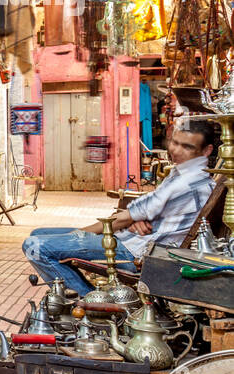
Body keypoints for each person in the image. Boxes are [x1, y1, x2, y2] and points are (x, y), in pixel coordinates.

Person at [22, 120, 218, 295]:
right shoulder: (181, 173)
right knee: (39, 232)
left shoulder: (190, 185)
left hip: (136, 252)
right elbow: (142, 214)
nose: (176, 151)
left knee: (34, 246)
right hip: (133, 238)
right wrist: (138, 219)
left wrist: (78, 234)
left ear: (206, 151)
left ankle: (89, 301)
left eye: (187, 147)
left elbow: (123, 219)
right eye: (175, 143)